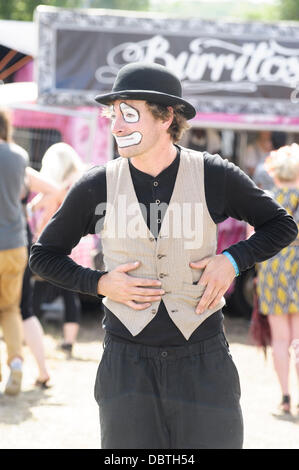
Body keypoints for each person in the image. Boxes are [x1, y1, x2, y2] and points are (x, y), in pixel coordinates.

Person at [30, 62, 298, 449]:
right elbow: (44, 255)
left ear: (166, 116)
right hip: (126, 363)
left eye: (129, 114)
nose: (117, 125)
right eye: (113, 114)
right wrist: (100, 282)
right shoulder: (97, 184)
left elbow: (282, 224)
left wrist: (233, 260)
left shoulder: (212, 174)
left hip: (203, 359)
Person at [29, 143, 92, 356]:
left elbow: (47, 211)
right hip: (80, 243)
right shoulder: (80, 178)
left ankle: (29, 333)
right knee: (69, 293)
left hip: (61, 243)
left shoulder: (61, 184)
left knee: (38, 288)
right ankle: (68, 341)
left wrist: (38, 232)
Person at [255, 143, 299, 416]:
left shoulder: (266, 200)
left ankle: (284, 397)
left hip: (272, 268)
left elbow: (254, 238)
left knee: (280, 340)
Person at [20, 166, 60, 388]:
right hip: (18, 241)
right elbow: (54, 190)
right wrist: (32, 210)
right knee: (24, 310)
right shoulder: (18, 163)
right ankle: (43, 372)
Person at [0, 108, 28, 395]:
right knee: (9, 309)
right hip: (14, 243)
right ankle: (16, 364)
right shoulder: (19, 155)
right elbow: (22, 193)